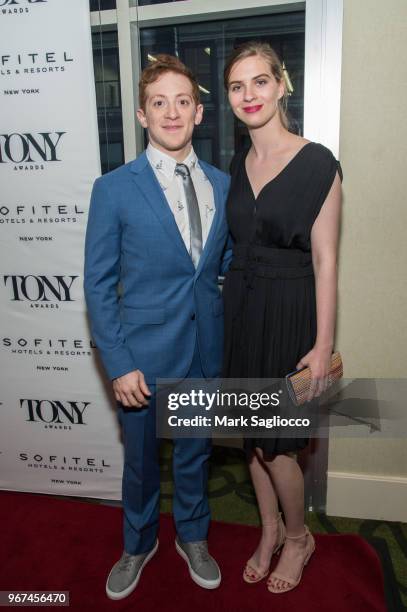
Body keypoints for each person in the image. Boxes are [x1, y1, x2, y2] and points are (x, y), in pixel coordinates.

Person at [84, 54, 232, 600]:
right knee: (142, 463)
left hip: (202, 351)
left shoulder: (222, 182)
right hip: (141, 359)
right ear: (143, 115)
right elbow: (98, 286)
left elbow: (224, 262)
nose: (172, 112)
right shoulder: (114, 187)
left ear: (198, 112)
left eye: (182, 101)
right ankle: (138, 543)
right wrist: (118, 363)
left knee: (195, 452)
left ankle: (192, 535)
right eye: (158, 102)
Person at [222, 41, 342, 594]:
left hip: (290, 312)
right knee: (252, 439)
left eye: (259, 82)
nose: (249, 95)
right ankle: (268, 531)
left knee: (280, 444)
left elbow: (325, 260)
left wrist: (322, 346)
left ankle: (299, 537)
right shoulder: (236, 161)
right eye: (237, 86)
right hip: (243, 312)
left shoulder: (318, 163)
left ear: (282, 84)